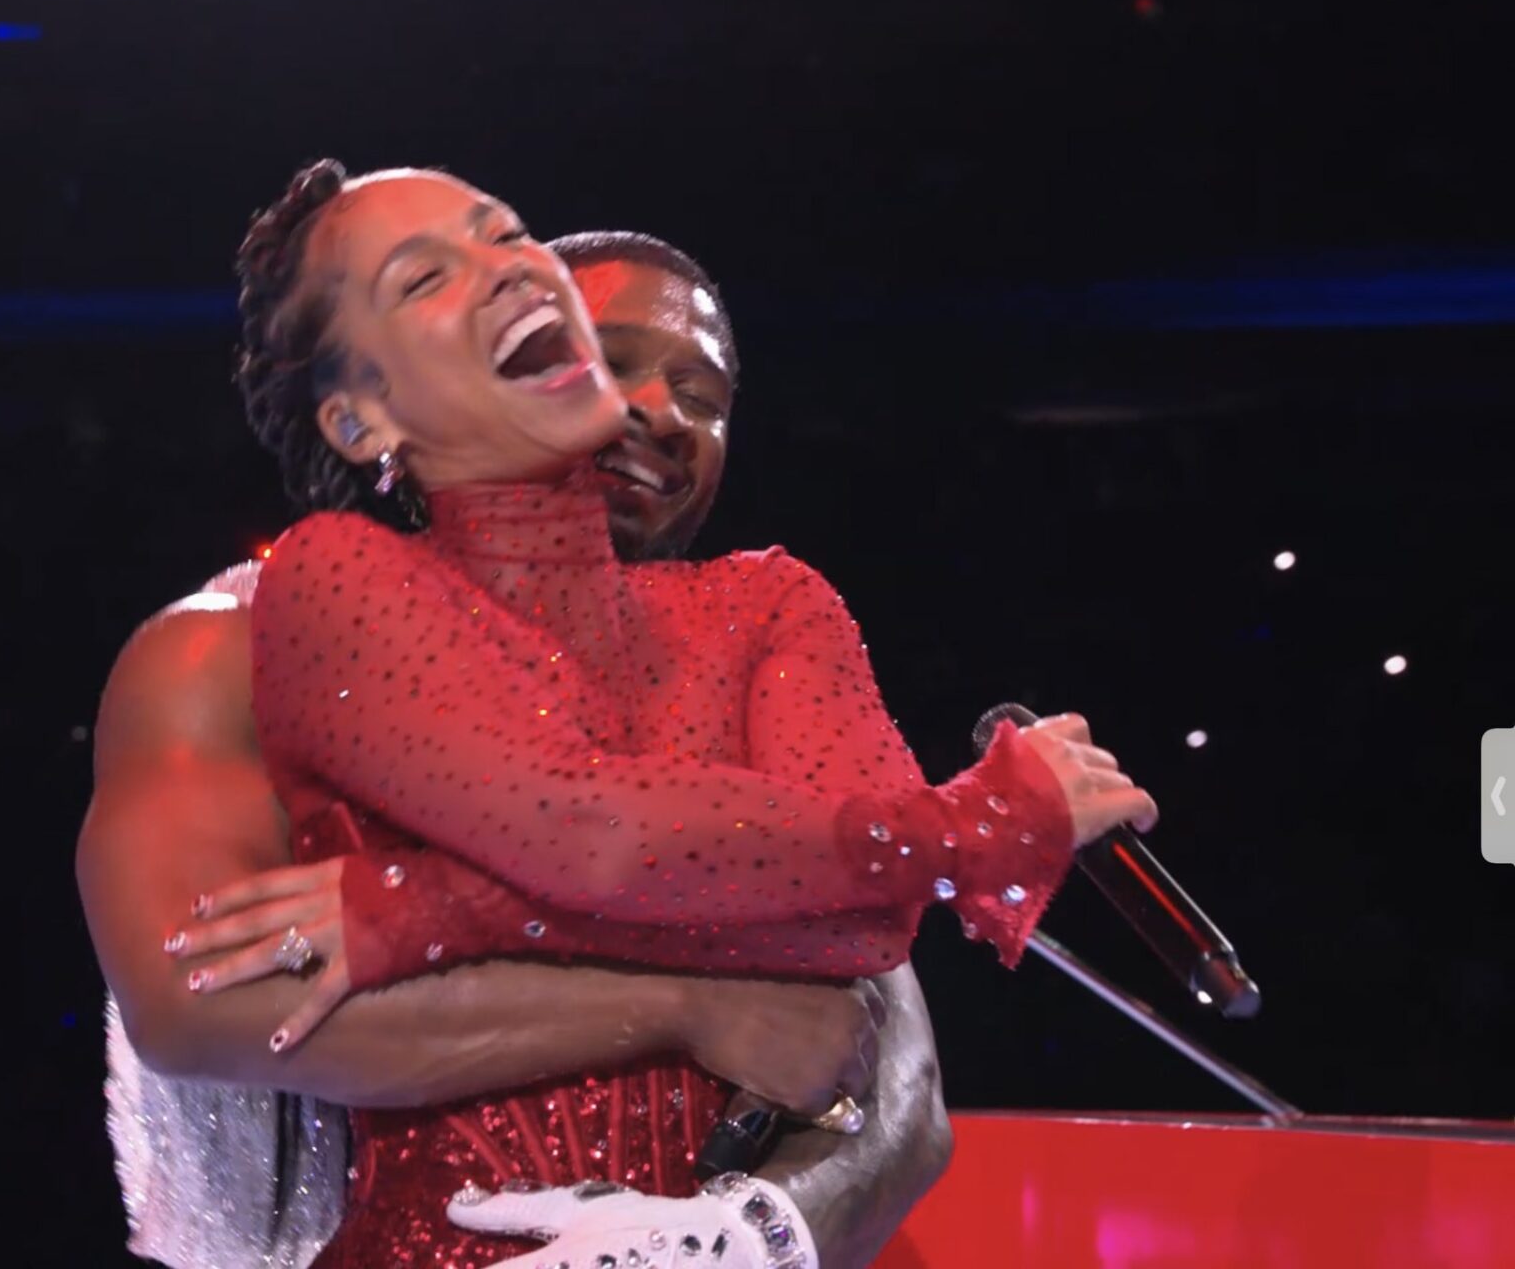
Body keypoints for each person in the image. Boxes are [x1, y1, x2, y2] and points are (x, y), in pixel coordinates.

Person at [152, 160, 1156, 1269]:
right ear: (361, 416)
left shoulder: (770, 602)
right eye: (429, 274)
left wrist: (421, 905)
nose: (665, 411)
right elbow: (592, 833)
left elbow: (860, 924)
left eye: (506, 234)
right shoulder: (334, 582)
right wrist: (972, 829)